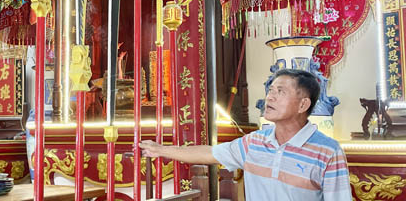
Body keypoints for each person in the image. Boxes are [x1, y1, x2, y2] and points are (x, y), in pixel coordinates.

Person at [139, 69, 351, 200]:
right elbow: (209, 153)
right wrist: (160, 150)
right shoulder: (255, 142)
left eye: (281, 92)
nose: (270, 97)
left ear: (303, 104)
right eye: (270, 90)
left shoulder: (328, 151)